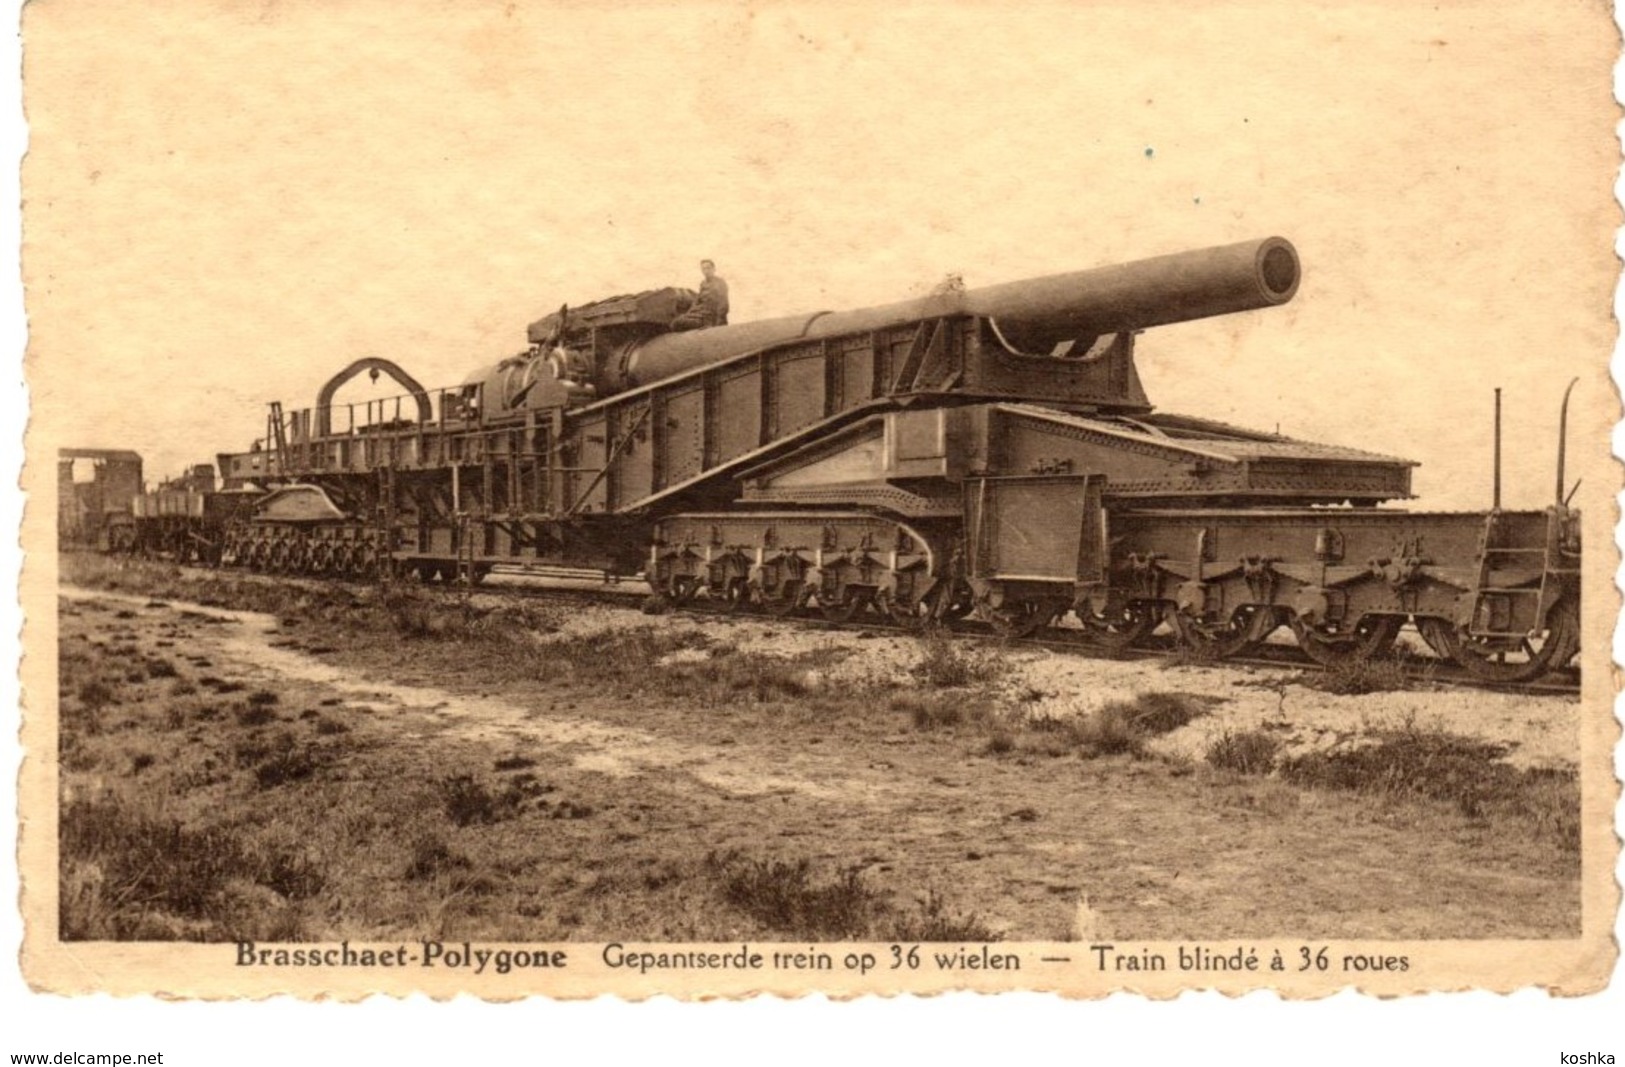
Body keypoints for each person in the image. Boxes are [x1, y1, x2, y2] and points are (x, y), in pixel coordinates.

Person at [672, 259, 730, 330]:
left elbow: (723, 304)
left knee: (680, 323)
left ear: (714, 269)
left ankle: (703, 325)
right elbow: (697, 301)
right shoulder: (703, 284)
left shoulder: (720, 283)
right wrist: (688, 314)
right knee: (675, 322)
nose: (706, 271)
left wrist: (718, 322)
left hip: (709, 317)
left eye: (708, 268)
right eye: (704, 269)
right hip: (699, 314)